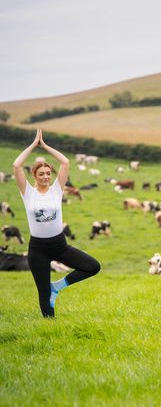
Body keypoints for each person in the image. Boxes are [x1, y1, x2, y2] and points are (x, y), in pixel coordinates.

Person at [13, 129, 101, 318]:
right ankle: (50, 326)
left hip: (59, 245)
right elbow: (17, 165)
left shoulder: (56, 190)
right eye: (41, 174)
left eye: (48, 173)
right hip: (37, 249)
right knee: (43, 295)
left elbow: (65, 162)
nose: (45, 176)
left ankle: (58, 287)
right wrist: (33, 144)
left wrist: (44, 146)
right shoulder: (28, 193)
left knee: (93, 267)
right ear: (34, 176)